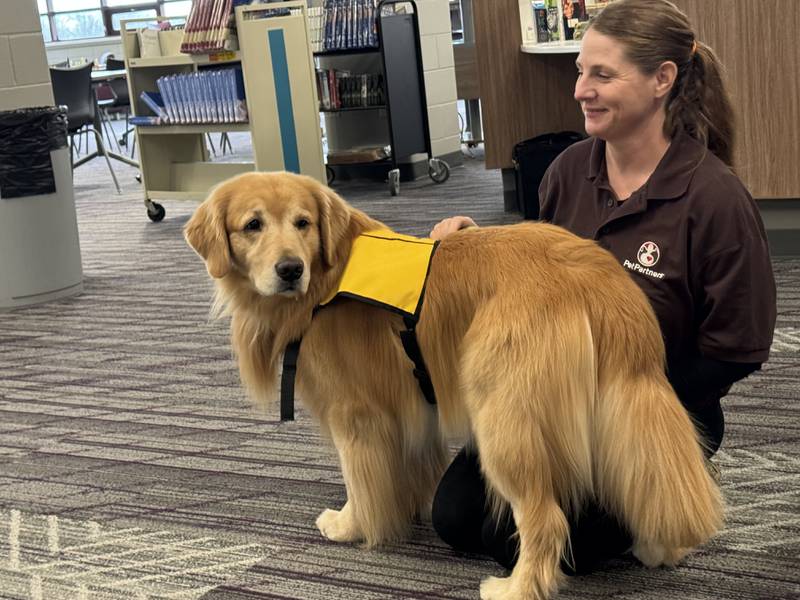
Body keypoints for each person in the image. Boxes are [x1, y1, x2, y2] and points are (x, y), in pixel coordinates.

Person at [428, 0, 777, 574]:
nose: (580, 91)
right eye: (580, 72)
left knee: (517, 541)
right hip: (550, 397)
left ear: (662, 79)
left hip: (654, 408)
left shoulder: (715, 198)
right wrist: (473, 249)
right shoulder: (566, 171)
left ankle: (678, 477)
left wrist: (613, 399)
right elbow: (534, 282)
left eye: (602, 75)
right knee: (457, 520)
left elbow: (737, 349)